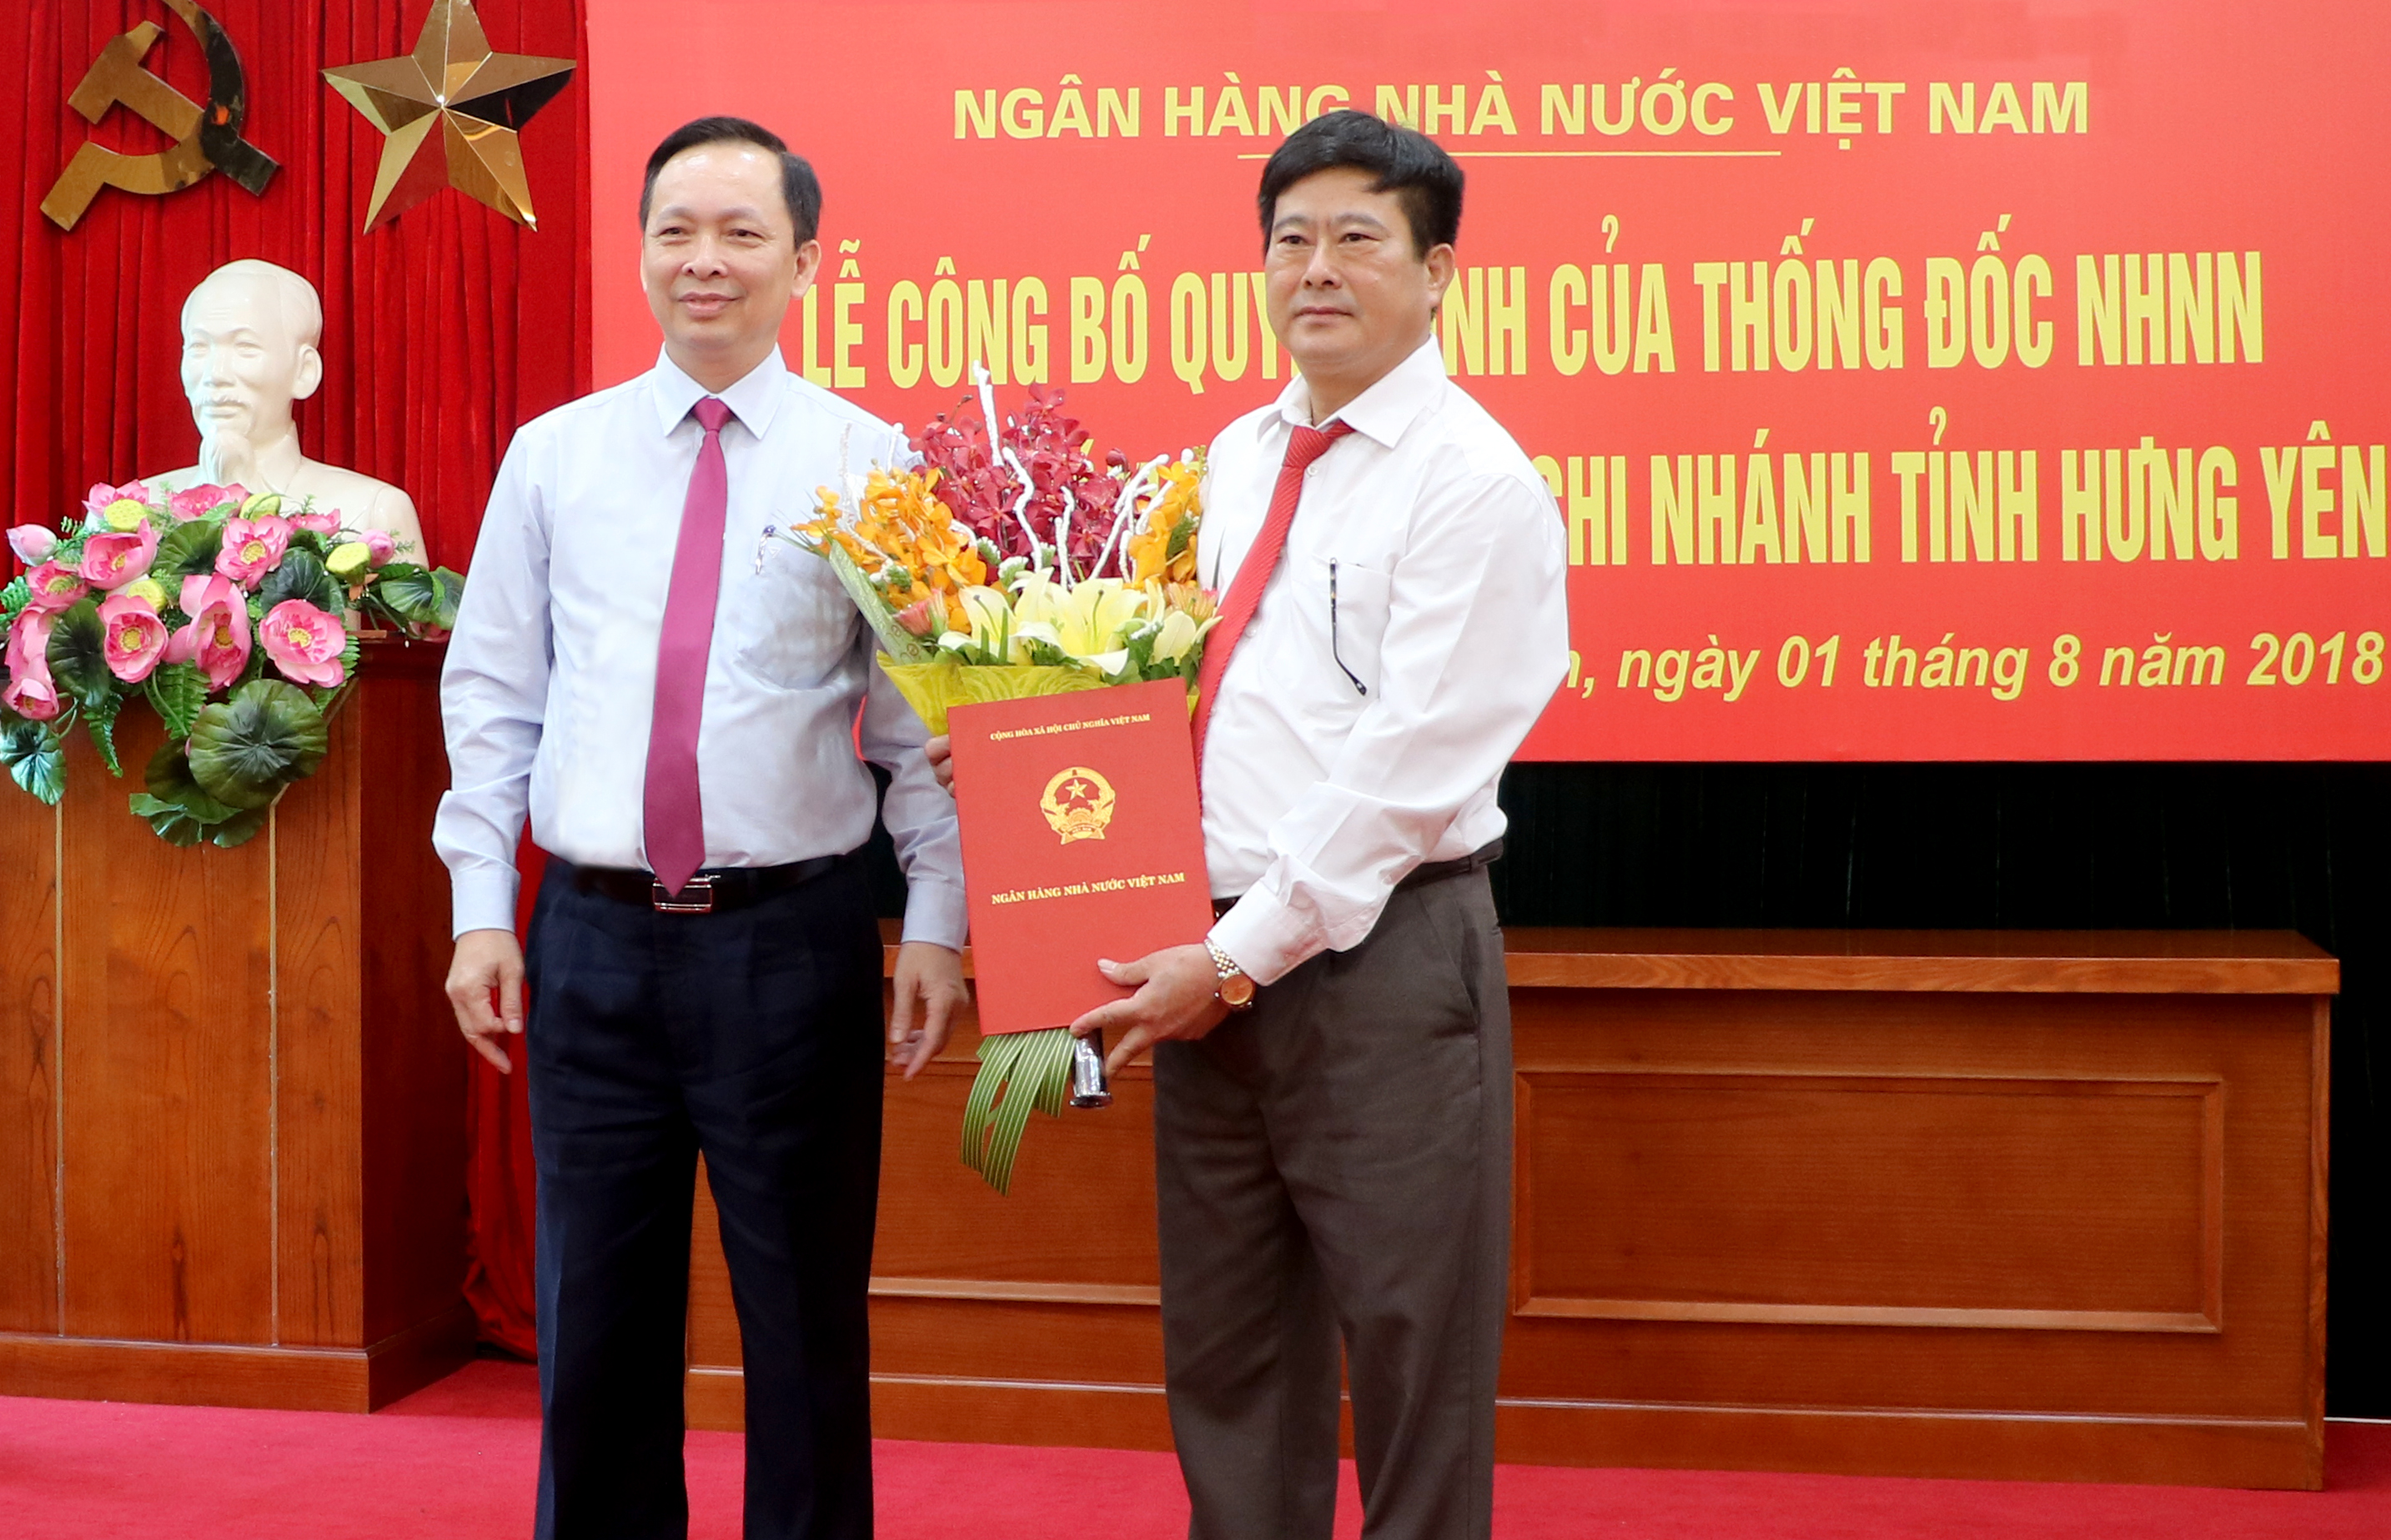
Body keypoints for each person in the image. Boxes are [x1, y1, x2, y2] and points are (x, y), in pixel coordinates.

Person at [986, 110, 1570, 1538]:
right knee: (1229, 1349)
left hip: (1378, 966)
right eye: (1289, 238)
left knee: (1414, 1354)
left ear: (1437, 271)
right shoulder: (1234, 457)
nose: (1315, 267)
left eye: (1356, 237)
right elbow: (1170, 690)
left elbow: (1403, 772)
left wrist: (1234, 958)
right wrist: (1034, 795)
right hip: (1203, 964)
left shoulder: (1474, 482)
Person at [435, 117, 969, 1540]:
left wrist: (936, 918)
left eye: (741, 232)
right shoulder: (555, 456)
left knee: (803, 1322)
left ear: (807, 259)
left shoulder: (870, 463)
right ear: (640, 250)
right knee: (595, 1326)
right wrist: (481, 907)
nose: (704, 260)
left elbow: (921, 720)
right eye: (675, 230)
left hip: (788, 944)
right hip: (591, 938)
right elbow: (492, 694)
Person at [148, 258, 426, 554]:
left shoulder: (371, 512)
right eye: (198, 348)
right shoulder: (133, 515)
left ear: (304, 371)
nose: (215, 375)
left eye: (245, 347)